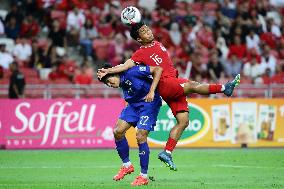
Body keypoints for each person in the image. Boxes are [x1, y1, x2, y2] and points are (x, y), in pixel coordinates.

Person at [97, 22, 241, 171]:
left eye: (147, 29)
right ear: (139, 39)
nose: (148, 31)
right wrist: (108, 71)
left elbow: (142, 27)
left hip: (173, 82)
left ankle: (167, 152)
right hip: (166, 83)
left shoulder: (157, 43)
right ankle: (224, 88)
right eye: (143, 32)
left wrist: (137, 23)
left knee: (184, 121)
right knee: (192, 85)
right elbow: (125, 66)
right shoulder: (139, 53)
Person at [98, 63, 163, 186]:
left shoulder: (133, 71)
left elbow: (158, 69)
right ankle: (127, 165)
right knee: (118, 131)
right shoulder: (122, 82)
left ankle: (143, 176)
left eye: (109, 80)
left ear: (116, 73)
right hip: (133, 105)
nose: (109, 84)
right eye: (106, 83)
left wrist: (152, 91)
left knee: (140, 136)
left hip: (148, 103)